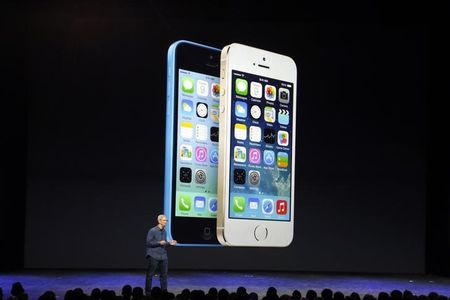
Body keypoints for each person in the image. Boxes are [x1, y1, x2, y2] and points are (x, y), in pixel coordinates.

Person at [145, 214, 176, 294]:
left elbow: (164, 243)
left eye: (166, 220)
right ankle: (148, 292)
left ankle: (164, 291)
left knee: (164, 275)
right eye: (164, 220)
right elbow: (148, 243)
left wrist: (170, 243)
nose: (166, 222)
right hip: (154, 255)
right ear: (159, 221)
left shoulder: (164, 231)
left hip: (163, 256)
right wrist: (159, 243)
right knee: (150, 275)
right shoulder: (152, 230)